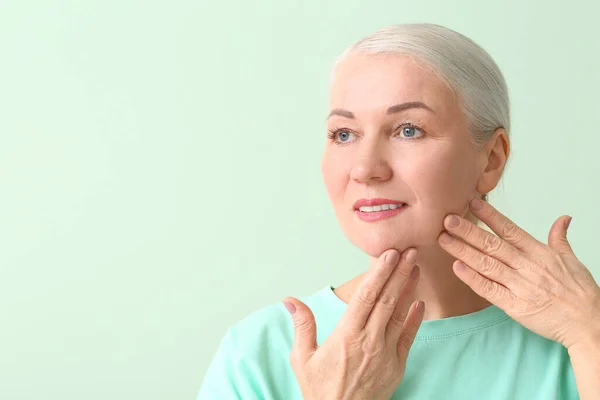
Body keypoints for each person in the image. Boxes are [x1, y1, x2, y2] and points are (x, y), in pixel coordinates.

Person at [197, 23, 598, 399]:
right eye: (344, 134)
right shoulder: (257, 354)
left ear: (490, 159)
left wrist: (591, 333)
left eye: (409, 129)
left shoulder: (576, 336)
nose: (365, 168)